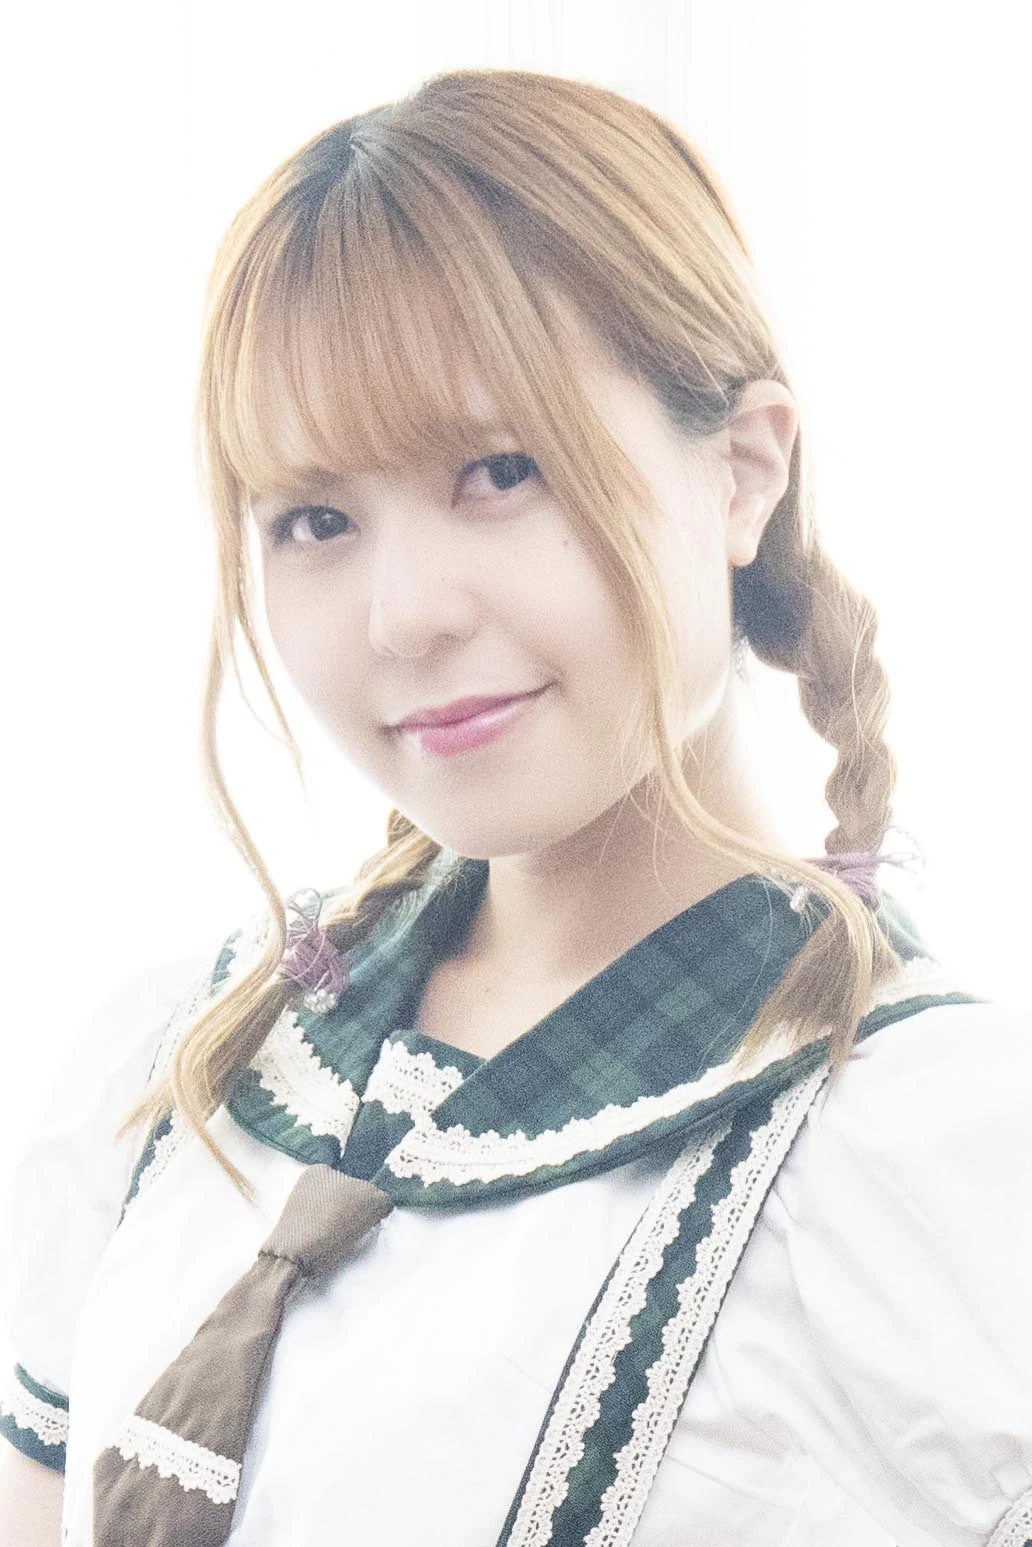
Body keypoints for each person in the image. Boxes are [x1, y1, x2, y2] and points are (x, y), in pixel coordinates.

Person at [1, 65, 1030, 1547]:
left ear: (743, 472)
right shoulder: (179, 1065)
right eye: (316, 519)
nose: (404, 614)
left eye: (500, 470)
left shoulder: (940, 1162)